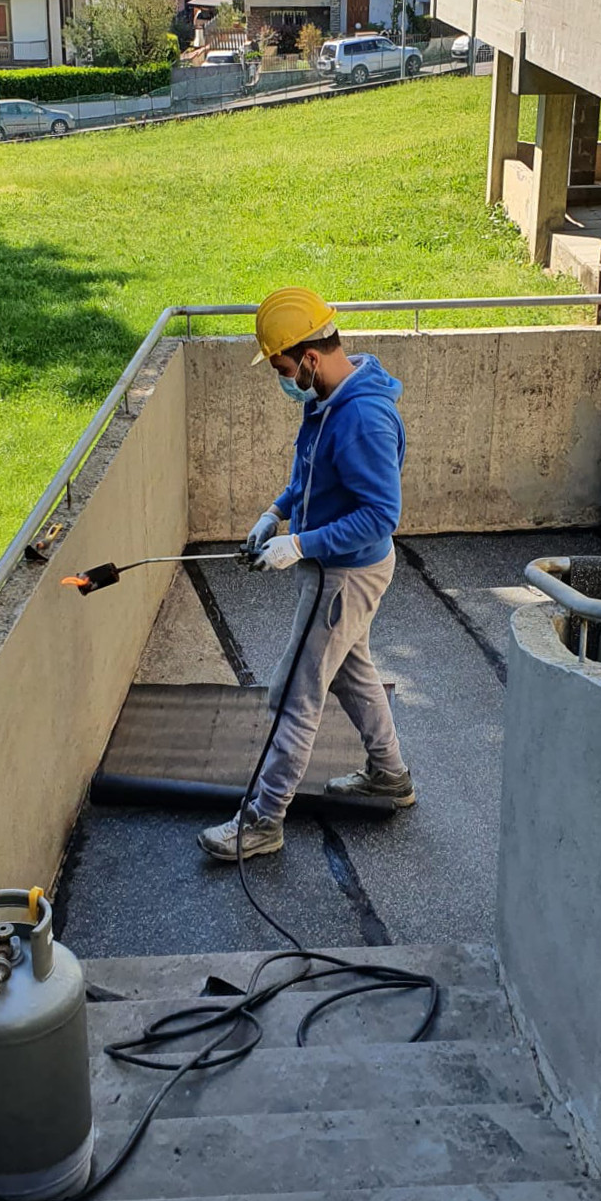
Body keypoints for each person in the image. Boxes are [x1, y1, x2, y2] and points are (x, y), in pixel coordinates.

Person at [198, 286, 415, 861]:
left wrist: (301, 544)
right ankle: (390, 774)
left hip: (344, 577)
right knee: (350, 672)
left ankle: (263, 821)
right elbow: (310, 475)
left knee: (295, 692)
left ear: (311, 358)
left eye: (283, 367)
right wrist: (277, 513)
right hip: (335, 568)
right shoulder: (327, 399)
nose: (281, 378)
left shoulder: (363, 418)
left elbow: (379, 517)